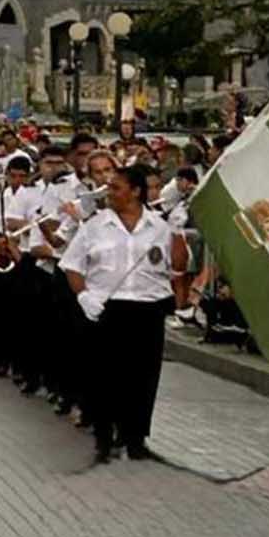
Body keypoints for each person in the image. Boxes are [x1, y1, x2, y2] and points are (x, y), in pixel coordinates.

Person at [61, 163, 184, 465]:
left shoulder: (159, 226)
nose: (109, 192)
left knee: (143, 375)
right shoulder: (96, 225)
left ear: (136, 192)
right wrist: (84, 295)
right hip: (108, 307)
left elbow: (177, 266)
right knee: (105, 375)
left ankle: (136, 437)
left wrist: (179, 232)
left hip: (148, 308)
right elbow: (72, 265)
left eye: (116, 187)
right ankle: (104, 436)